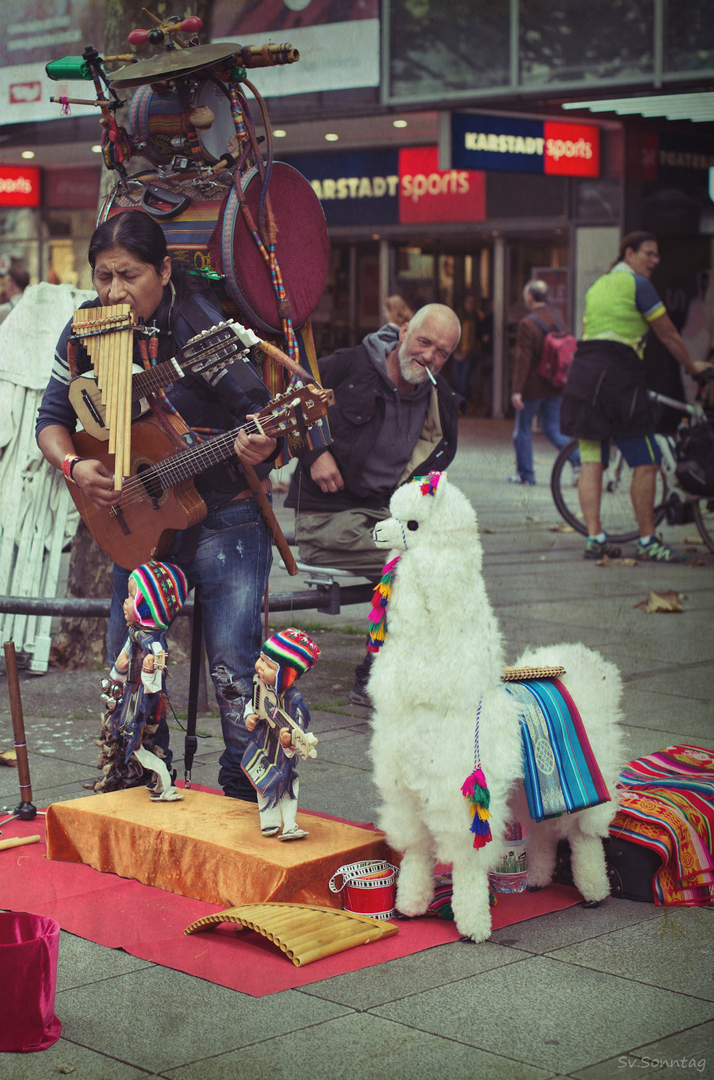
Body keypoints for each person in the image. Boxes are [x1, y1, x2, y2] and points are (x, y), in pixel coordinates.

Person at [36, 211, 279, 802]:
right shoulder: (83, 332)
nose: (114, 291)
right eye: (103, 276)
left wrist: (264, 440)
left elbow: (266, 422)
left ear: (164, 270)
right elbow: (50, 422)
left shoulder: (202, 325)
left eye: (130, 275)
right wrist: (73, 466)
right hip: (139, 523)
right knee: (129, 660)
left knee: (235, 668)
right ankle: (140, 776)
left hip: (226, 513)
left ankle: (249, 789)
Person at [284, 302, 463, 707]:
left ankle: (421, 669)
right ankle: (373, 676)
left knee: (447, 561)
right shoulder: (351, 366)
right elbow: (286, 397)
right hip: (326, 517)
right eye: (424, 342)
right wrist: (314, 453)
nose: (429, 357)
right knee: (408, 571)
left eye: (442, 353)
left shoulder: (439, 399)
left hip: (385, 515)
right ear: (402, 333)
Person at [560, 231, 713, 562]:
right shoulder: (638, 285)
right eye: (649, 253)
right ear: (628, 253)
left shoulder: (598, 285)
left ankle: (595, 539)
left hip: (584, 374)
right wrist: (691, 365)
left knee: (591, 460)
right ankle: (647, 541)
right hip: (619, 376)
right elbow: (668, 333)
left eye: (657, 255)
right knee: (646, 461)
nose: (655, 261)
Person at [94, 561, 187, 801]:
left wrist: (151, 665)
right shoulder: (134, 631)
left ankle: (163, 778)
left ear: (147, 606)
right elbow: (124, 656)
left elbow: (160, 656)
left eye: (132, 596)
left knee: (146, 738)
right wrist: (118, 670)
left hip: (147, 699)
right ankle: (155, 780)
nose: (125, 602)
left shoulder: (151, 637)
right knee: (131, 737)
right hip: (132, 694)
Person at [242, 628, 320, 840]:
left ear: (286, 675)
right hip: (263, 743)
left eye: (269, 666)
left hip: (281, 752)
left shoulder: (294, 701)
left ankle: (290, 825)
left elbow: (299, 728)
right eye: (261, 659)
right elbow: (252, 705)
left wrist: (289, 741)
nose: (260, 667)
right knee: (264, 782)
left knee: (286, 784)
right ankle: (269, 822)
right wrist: (248, 716)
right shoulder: (260, 683)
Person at [508, 279, 577, 486]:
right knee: (552, 429)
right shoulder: (557, 318)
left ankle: (526, 475)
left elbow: (523, 359)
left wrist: (517, 390)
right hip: (555, 384)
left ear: (530, 297)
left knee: (522, 430)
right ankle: (580, 460)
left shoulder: (527, 323)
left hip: (532, 387)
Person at [449, 292, 484, 400]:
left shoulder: (478, 317)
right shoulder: (458, 316)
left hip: (469, 352)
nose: (471, 305)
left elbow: (478, 335)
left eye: (473, 303)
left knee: (464, 379)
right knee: (457, 379)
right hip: (457, 351)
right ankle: (463, 401)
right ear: (464, 303)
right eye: (469, 302)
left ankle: (463, 402)